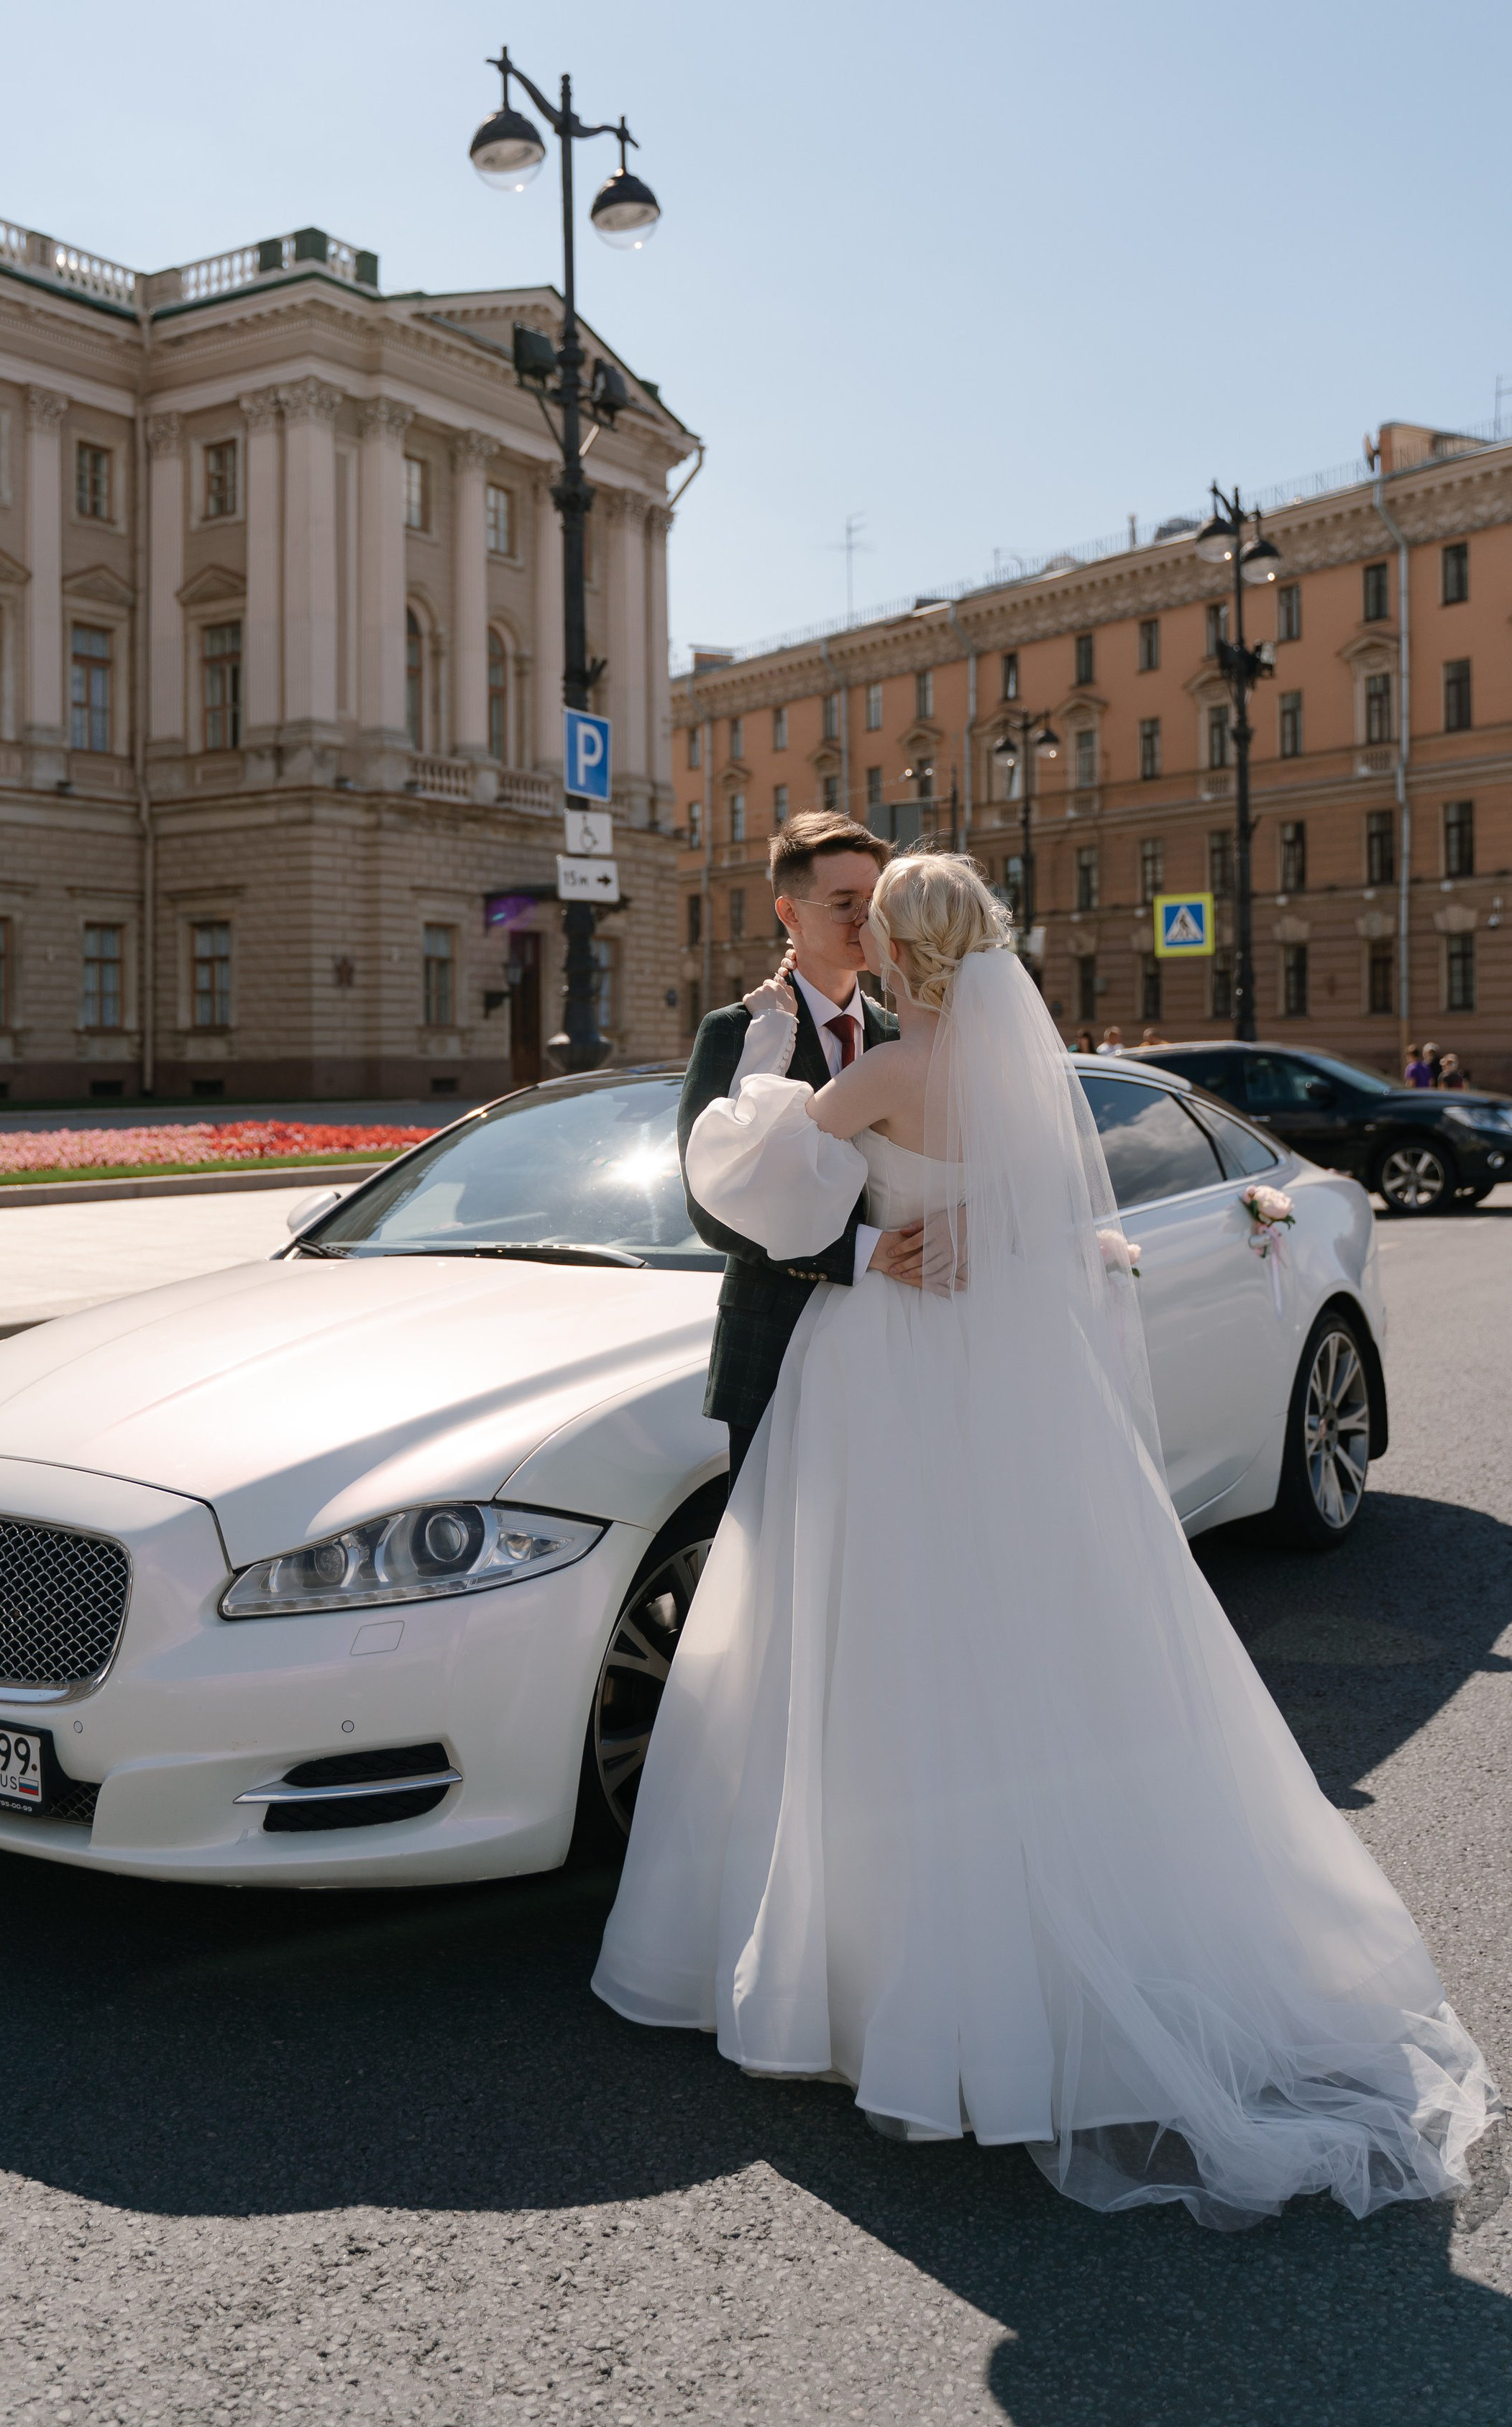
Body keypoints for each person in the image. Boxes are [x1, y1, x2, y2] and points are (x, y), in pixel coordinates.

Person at [594, 850, 1495, 2226]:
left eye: (875, 920)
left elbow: (750, 1174)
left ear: (901, 944)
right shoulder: (1028, 1079)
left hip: (886, 1376)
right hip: (1009, 1386)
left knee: (875, 1650)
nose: (860, 933)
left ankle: (874, 1965)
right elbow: (1051, 1227)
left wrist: (773, 1053)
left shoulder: (886, 1073)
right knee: (1026, 1642)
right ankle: (1049, 1952)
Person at [678, 811, 915, 1483]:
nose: (865, 921)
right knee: (770, 1539)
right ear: (789, 912)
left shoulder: (904, 1036)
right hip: (773, 1340)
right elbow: (711, 1207)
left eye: (874, 901)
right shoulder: (737, 1032)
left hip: (895, 1338)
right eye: (843, 903)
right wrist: (863, 1253)